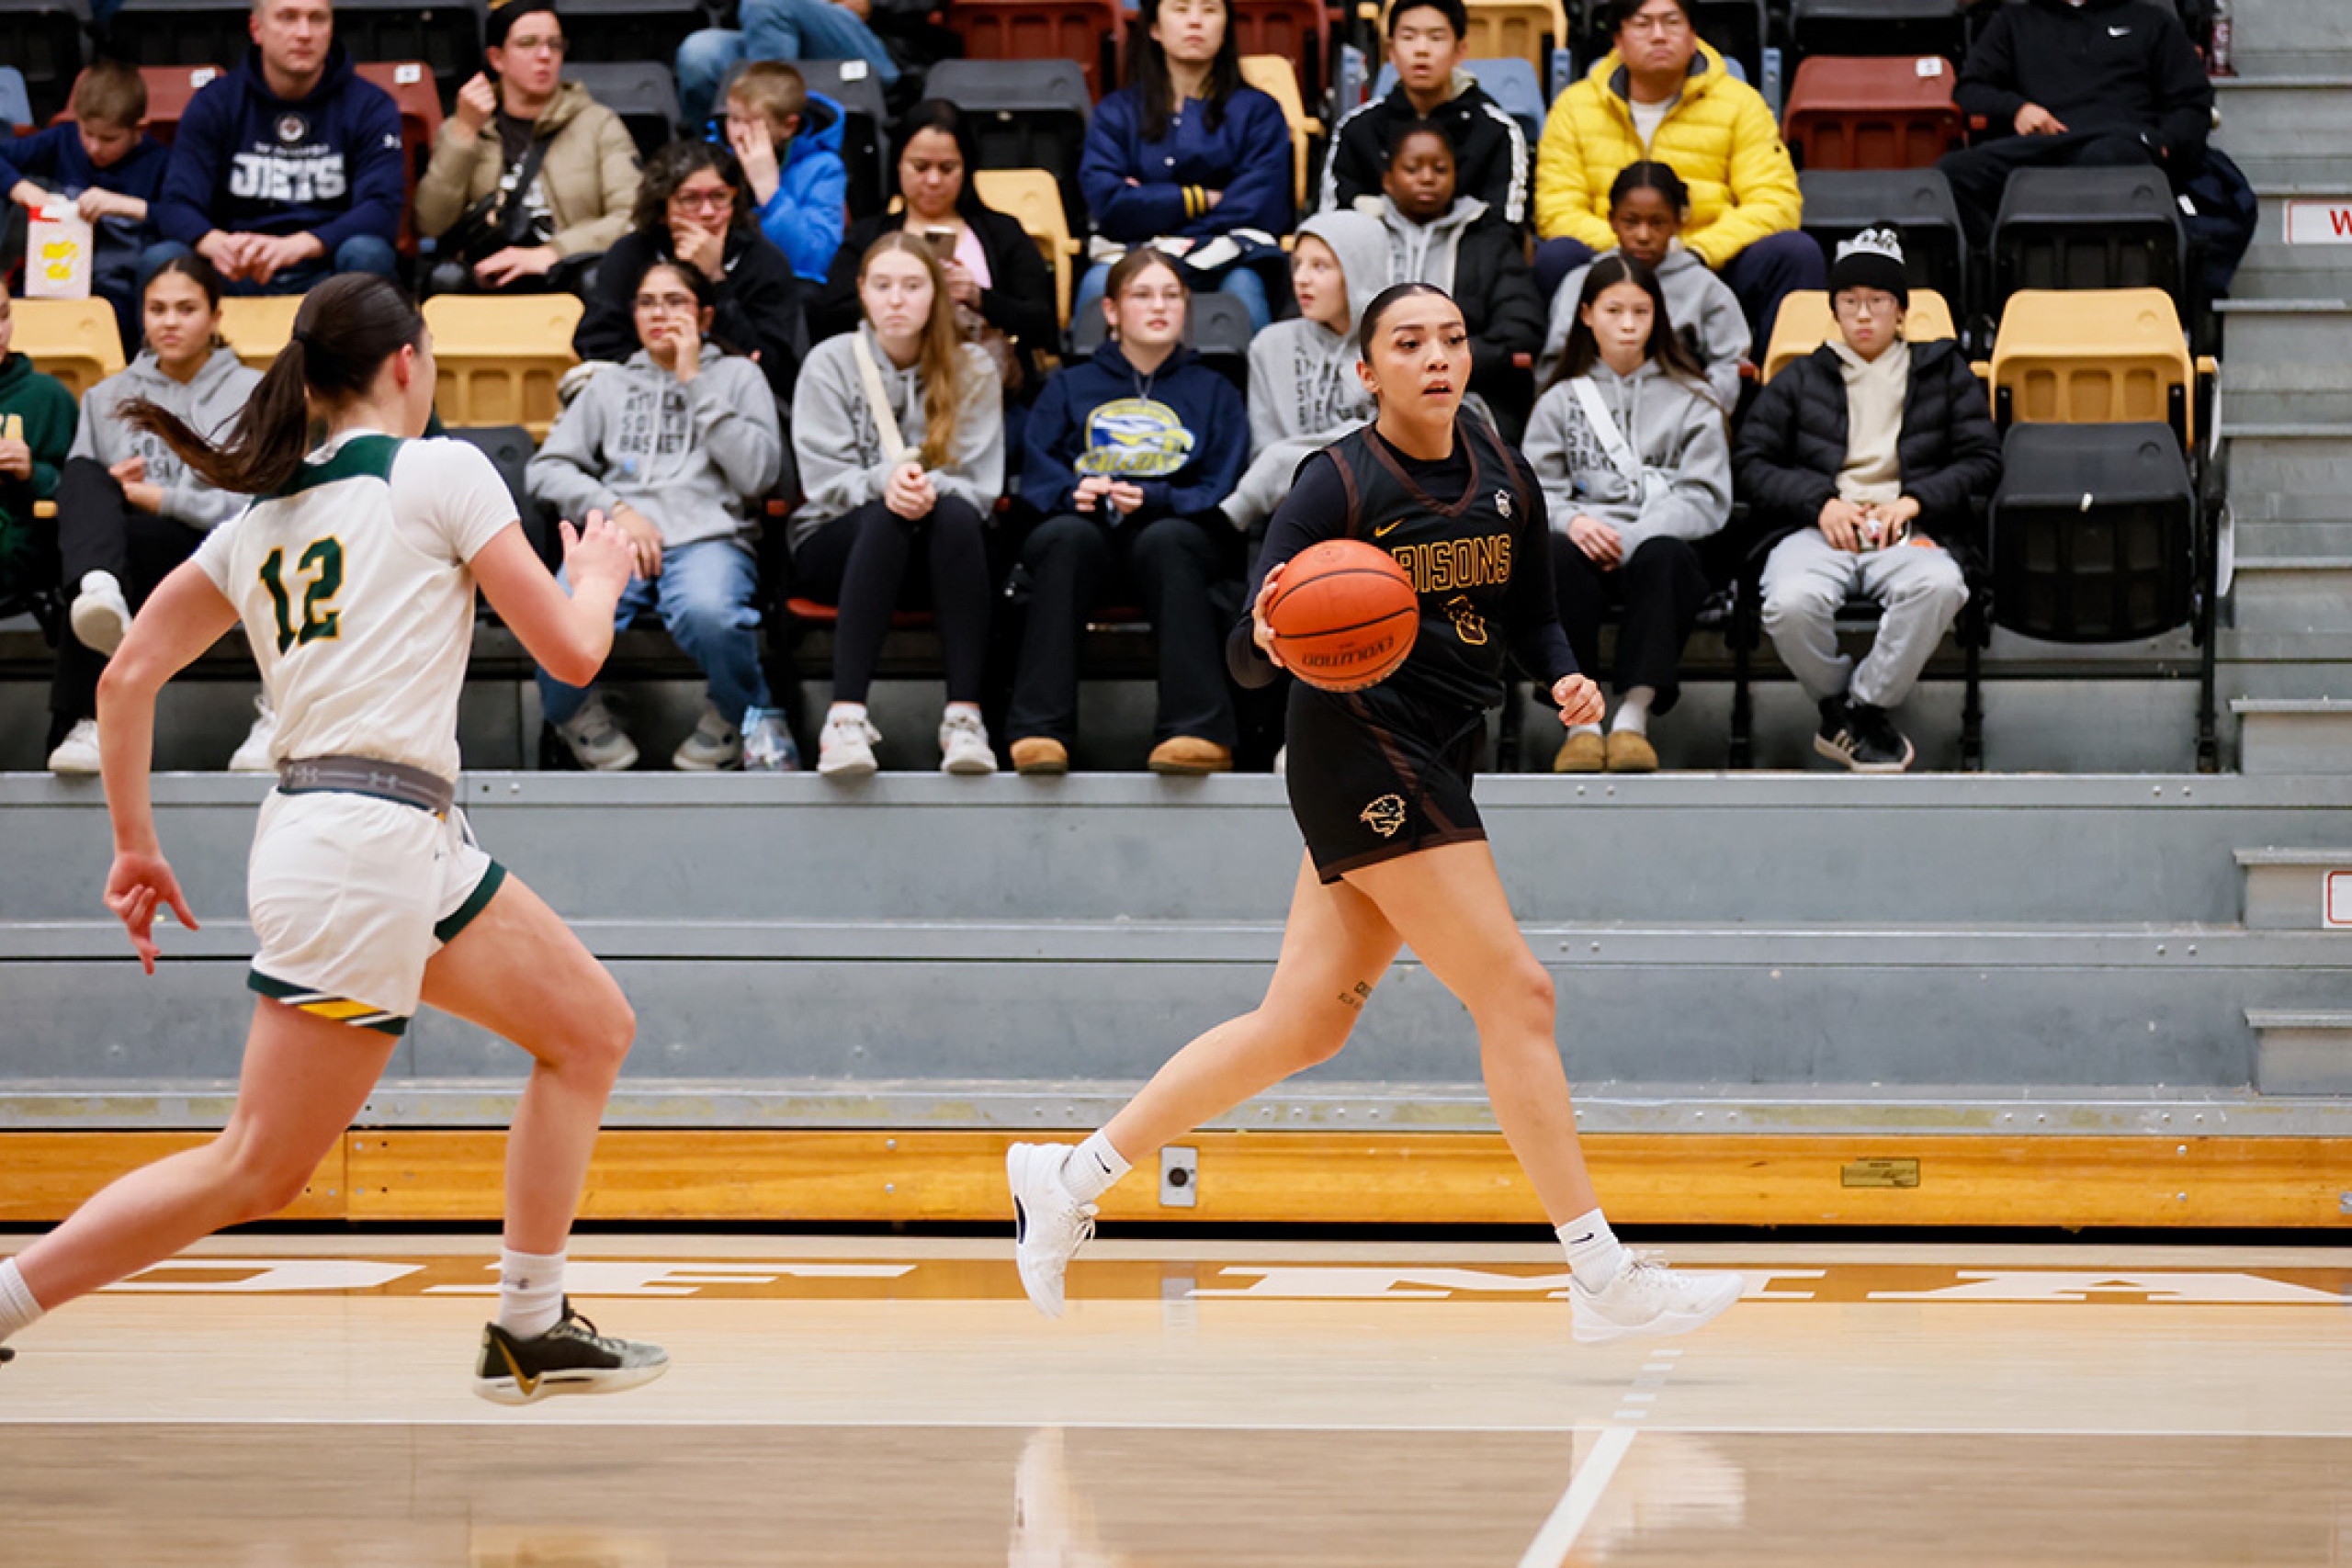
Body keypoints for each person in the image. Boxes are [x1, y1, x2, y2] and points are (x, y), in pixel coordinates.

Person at [1003, 281, 1745, 1344]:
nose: (1436, 356)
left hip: (1446, 747)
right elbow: (1246, 658)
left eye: (1451, 337)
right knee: (1518, 994)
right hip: (1356, 749)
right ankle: (1598, 1271)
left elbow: (1528, 612)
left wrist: (1566, 679)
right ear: (1366, 371)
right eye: (1408, 342)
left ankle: (1068, 1176)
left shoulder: (1502, 468)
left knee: (1302, 1024)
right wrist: (1264, 633)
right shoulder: (1332, 483)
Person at [0, 273, 669, 1403]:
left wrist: (134, 844)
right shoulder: (441, 469)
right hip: (367, 840)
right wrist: (595, 573)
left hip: (388, 833)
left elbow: (124, 682)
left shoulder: (262, 520)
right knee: (257, 1165)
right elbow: (570, 653)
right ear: (408, 362)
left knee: (591, 1029)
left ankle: (529, 1321)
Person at [1734, 230, 2000, 772]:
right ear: (1833, 310)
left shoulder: (1941, 371)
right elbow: (1752, 461)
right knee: (1789, 602)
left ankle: (1861, 706)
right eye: (1849, 302)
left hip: (1904, 528)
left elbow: (1983, 459)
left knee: (1941, 585)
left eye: (1878, 303)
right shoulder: (1800, 377)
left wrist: (1914, 501)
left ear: (1901, 312)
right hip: (1818, 528)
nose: (1863, 315)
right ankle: (1840, 705)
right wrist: (1820, 504)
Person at [533, 257, 791, 773]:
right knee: (558, 610)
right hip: (618, 538)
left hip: (709, 538)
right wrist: (617, 510)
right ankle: (577, 715)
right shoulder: (608, 385)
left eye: (676, 302)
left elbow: (759, 475)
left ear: (706, 316)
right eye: (648, 303)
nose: (660, 314)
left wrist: (694, 379)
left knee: (710, 611)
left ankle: (734, 716)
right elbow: (546, 470)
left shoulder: (739, 377)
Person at [1009, 249, 1249, 776]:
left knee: (1167, 540)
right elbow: (1035, 472)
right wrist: (1074, 491)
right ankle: (1040, 730)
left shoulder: (1215, 389)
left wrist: (1162, 498)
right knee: (1065, 538)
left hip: (1174, 539)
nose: (1159, 307)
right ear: (1112, 311)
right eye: (1142, 295)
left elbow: (1224, 484)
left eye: (1171, 296)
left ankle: (1197, 730)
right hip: (1088, 532)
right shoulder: (1069, 386)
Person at [47, 257, 273, 777]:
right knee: (82, 476)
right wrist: (114, 490)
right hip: (132, 553)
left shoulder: (255, 393)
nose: (170, 321)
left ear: (216, 317)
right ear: (141, 317)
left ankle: (88, 716)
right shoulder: (106, 396)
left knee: (100, 542)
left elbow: (258, 502)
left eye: (186, 309)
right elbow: (87, 502)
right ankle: (97, 590)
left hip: (224, 550)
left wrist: (156, 498)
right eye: (157, 309)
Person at [790, 231, 1004, 777]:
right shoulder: (829, 362)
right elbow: (821, 479)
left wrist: (927, 488)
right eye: (882, 286)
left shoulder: (973, 365)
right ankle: (844, 720)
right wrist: (886, 483)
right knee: (888, 516)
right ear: (862, 292)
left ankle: (964, 719)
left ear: (935, 294)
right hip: (838, 541)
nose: (896, 299)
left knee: (955, 513)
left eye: (912, 286)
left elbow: (980, 485)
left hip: (940, 549)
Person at [1523, 254, 1729, 773]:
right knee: (1552, 553)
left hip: (1654, 541)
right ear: (1587, 314)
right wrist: (1572, 521)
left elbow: (1706, 495)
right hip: (1584, 543)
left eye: (1642, 310)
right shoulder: (1559, 400)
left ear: (1658, 316)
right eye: (1614, 310)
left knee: (1667, 556)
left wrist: (1636, 535)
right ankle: (1582, 724)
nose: (1629, 323)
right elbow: (1534, 492)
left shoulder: (1694, 396)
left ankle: (1633, 718)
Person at [1532, 0, 1820, 355]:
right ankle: (1577, 385)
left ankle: (1774, 394)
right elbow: (1556, 209)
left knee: (1795, 252)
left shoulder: (1741, 103)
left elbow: (1775, 202)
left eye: (1671, 23)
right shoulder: (1574, 107)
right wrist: (1629, 248)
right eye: (1643, 24)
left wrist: (1696, 252)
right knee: (1555, 256)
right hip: (1610, 261)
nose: (1658, 36)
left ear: (1693, 35)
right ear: (1619, 40)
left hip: (1712, 263)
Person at [810, 99, 1057, 414]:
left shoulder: (1002, 232)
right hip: (884, 397)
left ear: (966, 169)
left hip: (988, 396)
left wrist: (979, 298)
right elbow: (827, 317)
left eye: (947, 168)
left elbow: (1042, 322)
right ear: (898, 164)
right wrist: (896, 296)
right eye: (920, 167)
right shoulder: (867, 235)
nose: (933, 180)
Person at [146, 0, 403, 294]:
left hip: (325, 267)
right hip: (235, 268)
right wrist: (219, 245)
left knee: (368, 253)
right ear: (257, 29)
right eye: (288, 18)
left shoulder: (370, 105)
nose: (304, 33)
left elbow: (382, 207)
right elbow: (176, 204)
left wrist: (300, 245)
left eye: (317, 19)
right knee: (162, 258)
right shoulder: (215, 102)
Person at [1073, 0, 1294, 333]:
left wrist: (1151, 203)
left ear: (1225, 27)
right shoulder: (1116, 112)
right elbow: (1109, 204)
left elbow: (1259, 206)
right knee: (1097, 286)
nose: (1195, 21)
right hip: (1134, 255)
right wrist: (1201, 199)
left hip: (1229, 258)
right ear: (1155, 28)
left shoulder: (1258, 111)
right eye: (1180, 9)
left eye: (1209, 10)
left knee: (1243, 290)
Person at [1939, 0, 2215, 246]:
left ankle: (2103, 273)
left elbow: (2193, 101)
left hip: (2118, 144)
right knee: (1950, 175)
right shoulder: (2013, 20)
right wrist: (2018, 109)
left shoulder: (2153, 20)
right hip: (2040, 146)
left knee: (2107, 160)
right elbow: (1970, 89)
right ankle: (2011, 266)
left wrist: (2164, 144)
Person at [413, 0, 642, 296]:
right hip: (487, 270)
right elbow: (430, 224)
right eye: (527, 44)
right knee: (443, 278)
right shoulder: (464, 127)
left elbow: (633, 216)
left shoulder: (598, 124)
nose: (545, 55)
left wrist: (553, 252)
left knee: (596, 278)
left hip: (566, 268)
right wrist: (464, 134)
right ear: (497, 58)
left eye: (554, 45)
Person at [573, 140, 806, 402]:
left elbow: (772, 368)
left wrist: (716, 280)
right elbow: (597, 343)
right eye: (690, 200)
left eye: (719, 197)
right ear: (663, 209)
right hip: (639, 396)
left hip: (733, 400)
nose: (707, 213)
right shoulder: (630, 255)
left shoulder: (763, 261)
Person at [1363, 118, 1546, 439]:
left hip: (1468, 398)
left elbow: (1520, 332)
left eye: (1439, 169)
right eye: (1412, 168)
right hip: (1363, 398)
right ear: (1388, 180)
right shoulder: (1360, 237)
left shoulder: (1490, 241)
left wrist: (1439, 358)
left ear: (1456, 176)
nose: (1427, 178)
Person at [1224, 210, 1386, 536]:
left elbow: (1390, 451)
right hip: (1297, 512)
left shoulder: (1397, 343)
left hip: (1383, 511)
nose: (1301, 279)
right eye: (1298, 264)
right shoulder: (1269, 345)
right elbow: (1263, 451)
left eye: (1320, 266)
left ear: (1360, 271)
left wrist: (1282, 461)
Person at [1538, 162, 1745, 413]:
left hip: (1678, 419)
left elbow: (1729, 365)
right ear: (1612, 220)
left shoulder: (1706, 288)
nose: (1643, 235)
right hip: (1591, 419)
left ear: (1678, 223)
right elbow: (1556, 363)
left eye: (1657, 223)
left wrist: (1700, 414)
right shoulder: (1581, 282)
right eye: (1631, 222)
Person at [0, 61, 170, 355]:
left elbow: (183, 218)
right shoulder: (63, 140)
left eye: (108, 139)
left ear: (139, 129)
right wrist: (21, 188)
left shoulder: (160, 162)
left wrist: (125, 206)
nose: (93, 147)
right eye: (87, 134)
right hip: (48, 282)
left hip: (117, 291)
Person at [1319, 0, 1531, 231]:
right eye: (1409, 37)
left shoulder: (1496, 132)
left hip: (1467, 262)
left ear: (1460, 50)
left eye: (1436, 38)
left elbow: (1505, 228)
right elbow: (1335, 228)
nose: (1421, 50)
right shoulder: (1358, 129)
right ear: (1391, 52)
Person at [674, 0, 901, 130]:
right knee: (700, 54)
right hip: (771, 33)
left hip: (870, 42)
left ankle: (769, 136)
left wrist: (873, 4)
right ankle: (713, 161)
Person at [721, 62, 848, 286]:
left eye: (751, 124)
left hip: (786, 284)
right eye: (733, 119)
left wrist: (770, 193)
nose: (738, 133)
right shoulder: (717, 159)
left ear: (789, 126)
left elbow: (816, 260)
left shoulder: (824, 168)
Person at [0, 293, 77, 617]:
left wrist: (32, 472)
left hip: (20, 553)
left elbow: (82, 495)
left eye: (3, 316)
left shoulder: (48, 396)